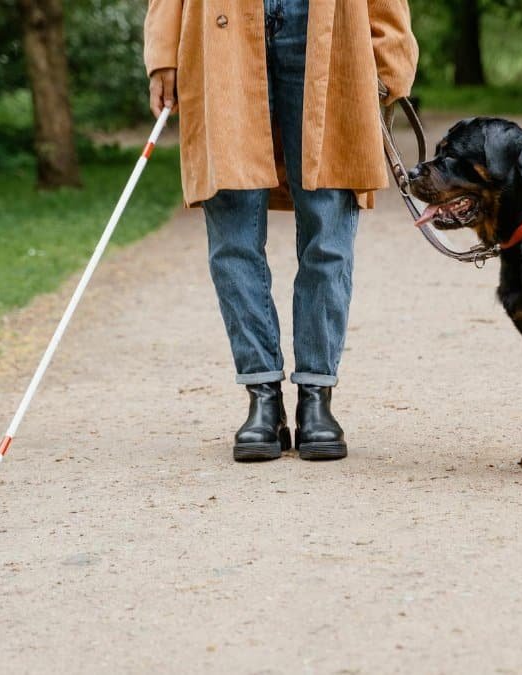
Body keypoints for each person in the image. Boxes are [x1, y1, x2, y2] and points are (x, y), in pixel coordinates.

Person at [144, 0, 418, 462]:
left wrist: (391, 50)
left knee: (328, 231)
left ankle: (317, 397)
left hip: (327, 26)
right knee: (232, 232)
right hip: (219, 29)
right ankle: (262, 398)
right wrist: (164, 53)